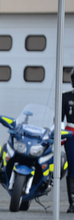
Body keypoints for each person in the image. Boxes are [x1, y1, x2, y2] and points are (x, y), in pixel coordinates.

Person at [61, 68, 74, 213]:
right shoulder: (66, 97)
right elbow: (59, 120)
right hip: (72, 135)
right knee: (73, 167)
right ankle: (73, 202)